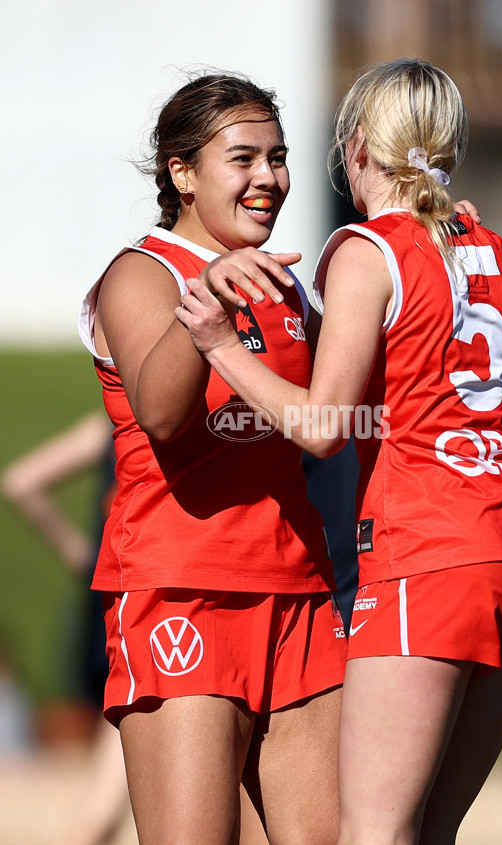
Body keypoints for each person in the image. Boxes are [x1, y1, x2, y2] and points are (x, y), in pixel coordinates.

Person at [176, 59, 502, 844]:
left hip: (428, 548)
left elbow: (323, 424)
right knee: (428, 830)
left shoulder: (363, 247)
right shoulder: (493, 246)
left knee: (376, 830)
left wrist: (219, 343)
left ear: (357, 145)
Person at [78, 71, 351, 845]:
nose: (269, 177)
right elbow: (162, 416)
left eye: (279, 156)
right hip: (180, 590)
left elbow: (338, 418)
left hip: (298, 590)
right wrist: (212, 305)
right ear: (183, 173)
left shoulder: (287, 281)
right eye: (244, 158)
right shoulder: (142, 272)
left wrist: (427, 240)